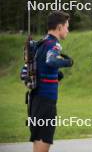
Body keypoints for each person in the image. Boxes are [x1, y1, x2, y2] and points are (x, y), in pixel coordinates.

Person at [21, 11, 73, 152]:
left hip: (35, 102)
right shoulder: (54, 44)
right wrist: (68, 62)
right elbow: (51, 60)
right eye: (67, 27)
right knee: (42, 147)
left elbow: (28, 71)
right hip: (46, 104)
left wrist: (56, 76)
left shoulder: (40, 44)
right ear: (59, 27)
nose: (68, 30)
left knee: (38, 145)